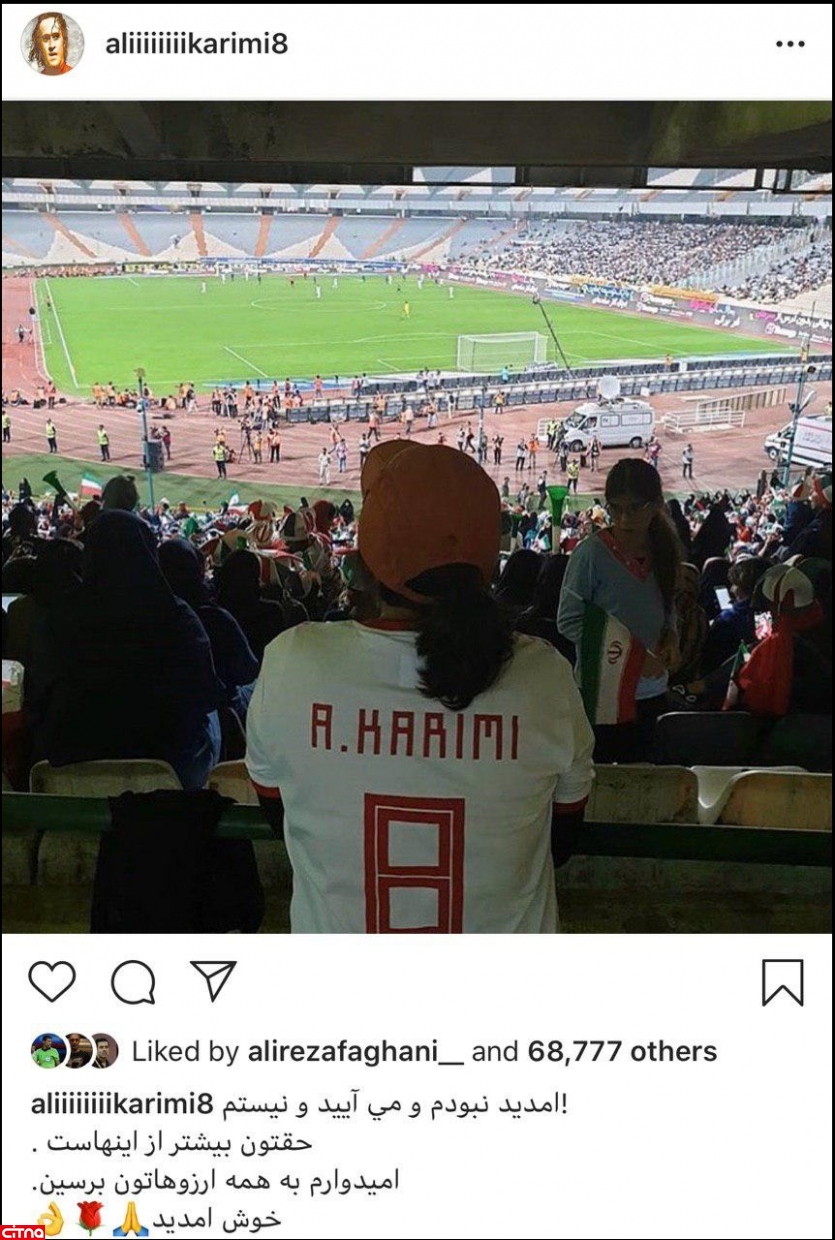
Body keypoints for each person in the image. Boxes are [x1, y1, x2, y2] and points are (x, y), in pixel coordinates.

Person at [246, 442, 595, 934]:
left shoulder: (291, 663)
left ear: (368, 559)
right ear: (489, 561)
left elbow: (278, 815)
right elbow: (561, 843)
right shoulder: (545, 678)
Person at [29, 510, 223, 789]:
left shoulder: (59, 617)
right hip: (169, 774)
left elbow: (38, 693)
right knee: (214, 716)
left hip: (71, 773)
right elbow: (204, 695)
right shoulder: (177, 616)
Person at [558, 458, 682, 764]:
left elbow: (667, 605)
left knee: (645, 775)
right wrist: (633, 658)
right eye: (615, 508)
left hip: (651, 691)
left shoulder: (664, 551)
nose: (624, 518)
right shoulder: (591, 554)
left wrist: (671, 636)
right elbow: (569, 620)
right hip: (602, 694)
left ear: (656, 506)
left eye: (635, 508)